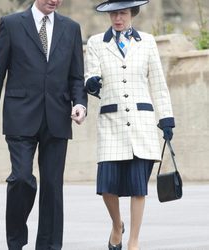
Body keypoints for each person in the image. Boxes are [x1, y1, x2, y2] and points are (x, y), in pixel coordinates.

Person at [0, 0, 87, 249]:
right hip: (20, 116)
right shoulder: (12, 24)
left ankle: (49, 246)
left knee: (52, 186)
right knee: (21, 178)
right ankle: (16, 240)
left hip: (58, 117)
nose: (54, 0)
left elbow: (77, 76)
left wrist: (80, 104)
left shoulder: (71, 28)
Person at [85, 0, 175, 250]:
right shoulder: (95, 43)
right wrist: (91, 82)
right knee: (106, 187)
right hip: (111, 122)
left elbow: (158, 82)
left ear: (132, 13)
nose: (118, 18)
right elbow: (90, 72)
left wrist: (166, 117)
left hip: (141, 123)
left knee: (138, 188)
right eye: (113, 14)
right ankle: (117, 225)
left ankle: (133, 242)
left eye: (122, 13)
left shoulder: (147, 41)